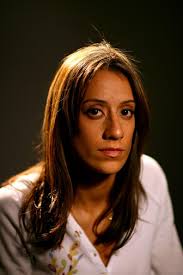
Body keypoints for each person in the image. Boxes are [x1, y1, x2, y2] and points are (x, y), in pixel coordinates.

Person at [0, 41, 182, 275]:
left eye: (126, 112)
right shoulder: (12, 210)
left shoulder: (149, 178)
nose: (115, 132)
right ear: (64, 120)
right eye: (95, 111)